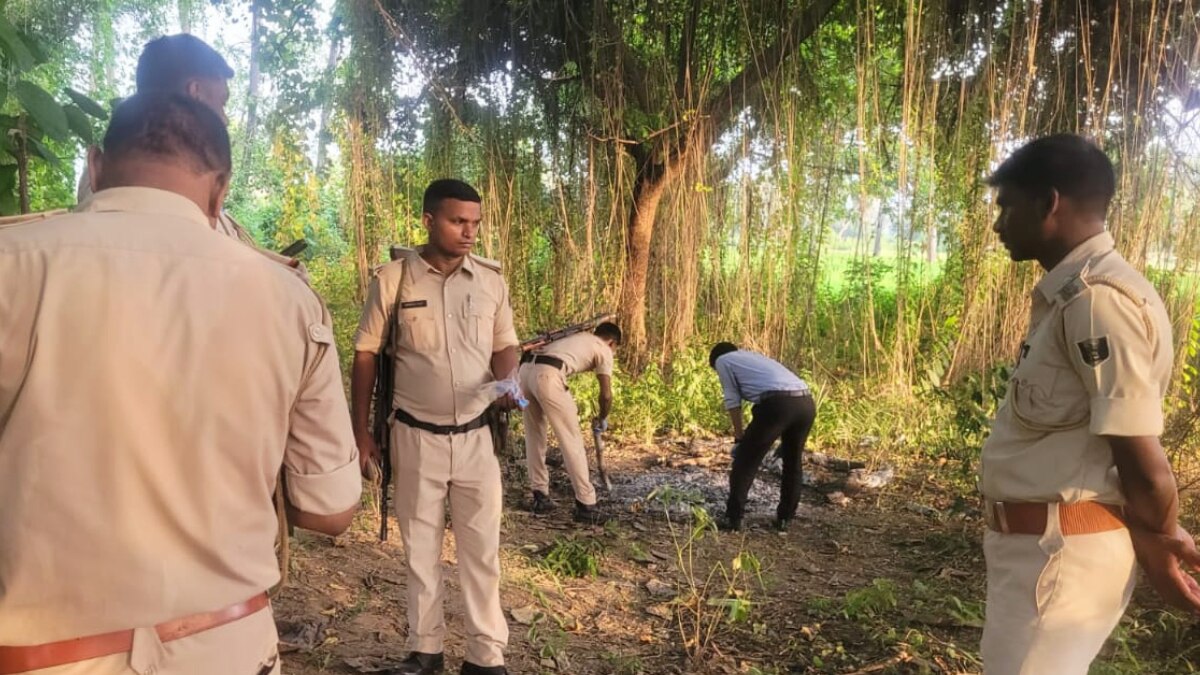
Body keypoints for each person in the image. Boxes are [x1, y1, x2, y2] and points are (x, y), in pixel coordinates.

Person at [0, 93, 360, 674]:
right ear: (221, 192)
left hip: (40, 657)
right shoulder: (289, 300)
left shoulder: (12, 263)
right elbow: (330, 509)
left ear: (94, 167)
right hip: (226, 648)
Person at [979, 133, 1200, 673]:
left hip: (1059, 557)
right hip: (1036, 553)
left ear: (1048, 203)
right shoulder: (1071, 299)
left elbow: (1142, 462)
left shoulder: (1098, 302)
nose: (998, 223)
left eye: (1006, 204)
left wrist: (1160, 541)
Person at [351, 179, 518, 675]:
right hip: (414, 434)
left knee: (481, 551)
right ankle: (425, 651)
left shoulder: (490, 281)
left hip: (476, 435)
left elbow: (504, 344)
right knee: (420, 548)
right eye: (457, 221)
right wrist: (361, 432)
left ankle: (485, 658)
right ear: (428, 220)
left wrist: (508, 379)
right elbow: (365, 355)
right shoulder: (394, 280)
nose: (469, 232)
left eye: (475, 223)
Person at [520, 321, 622, 524]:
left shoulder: (578, 337)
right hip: (548, 376)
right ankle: (586, 503)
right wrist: (603, 417)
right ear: (612, 343)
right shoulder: (603, 348)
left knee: (534, 435)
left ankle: (540, 495)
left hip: (523, 373)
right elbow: (606, 395)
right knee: (571, 438)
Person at [709, 343, 816, 532]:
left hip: (778, 405)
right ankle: (785, 519)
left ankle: (734, 518)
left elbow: (732, 399)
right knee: (792, 462)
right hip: (806, 403)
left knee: (746, 461)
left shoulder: (723, 360)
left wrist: (739, 437)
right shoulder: (753, 357)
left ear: (715, 360)